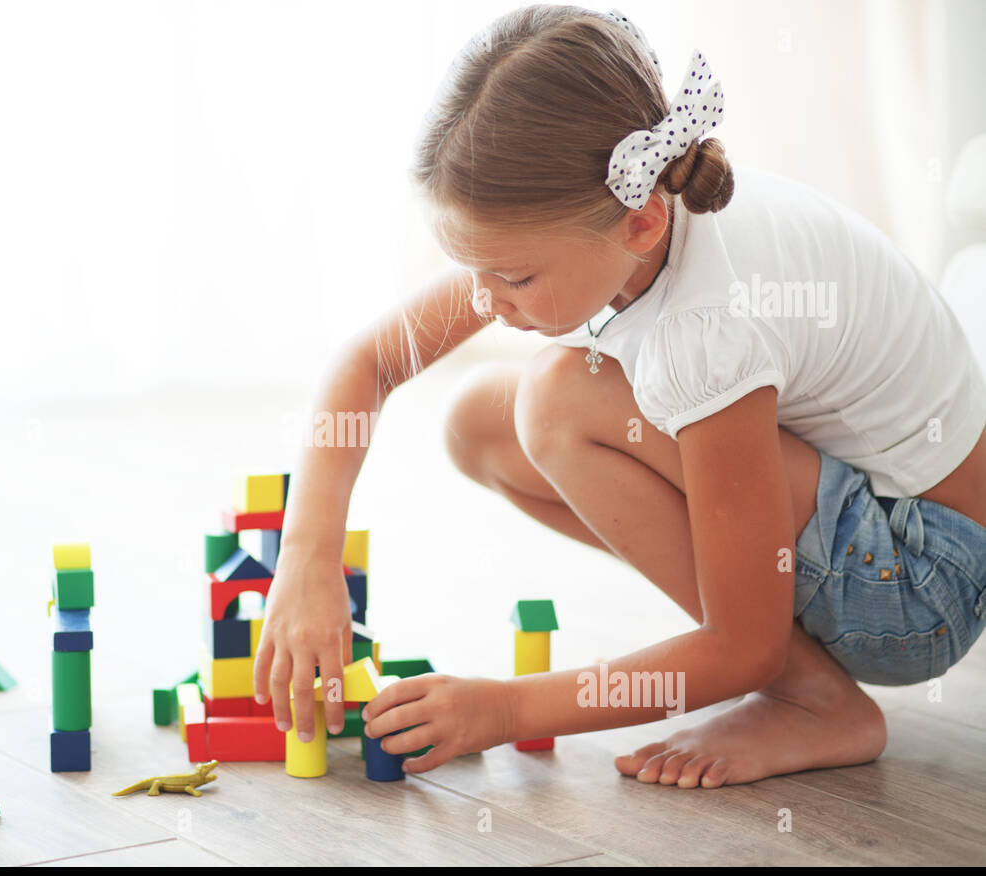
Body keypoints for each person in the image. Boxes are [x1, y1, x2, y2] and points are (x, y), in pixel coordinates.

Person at [252, 5, 986, 788]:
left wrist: (505, 710)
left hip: (918, 581)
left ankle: (813, 700)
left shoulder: (706, 326)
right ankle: (808, 685)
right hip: (865, 517)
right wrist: (306, 557)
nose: (486, 301)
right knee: (479, 425)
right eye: (477, 273)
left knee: (558, 402)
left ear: (638, 226)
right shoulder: (609, 221)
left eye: (514, 278)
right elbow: (370, 361)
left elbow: (745, 648)